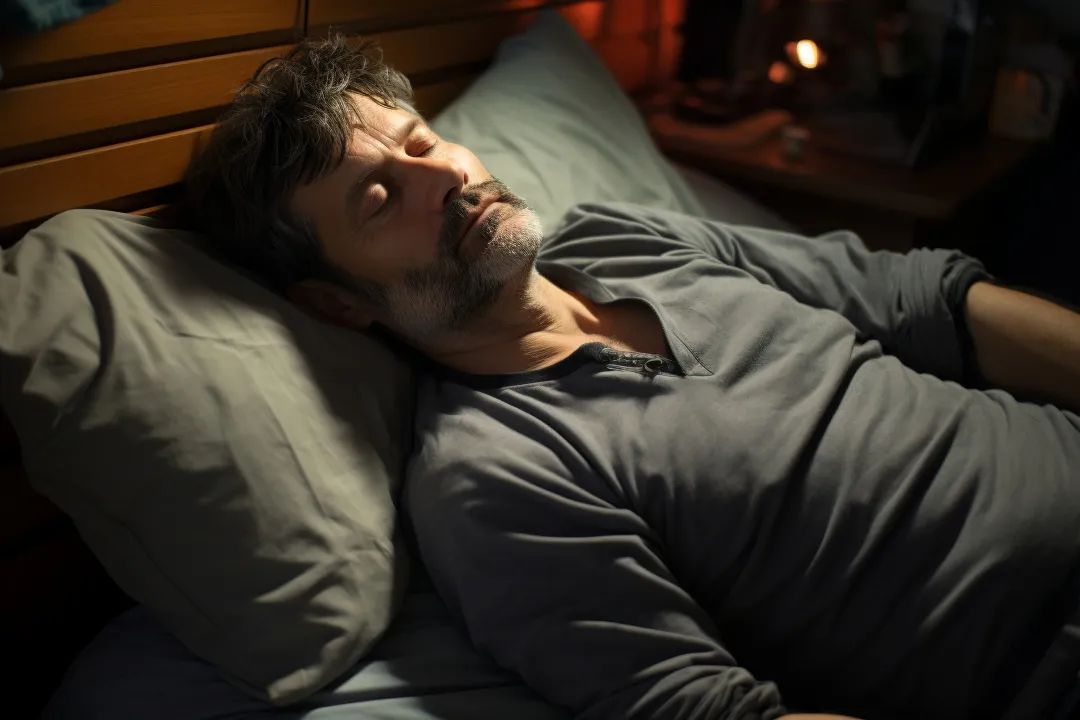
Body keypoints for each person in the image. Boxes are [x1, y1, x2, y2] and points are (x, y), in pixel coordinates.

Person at [186, 35, 1080, 720]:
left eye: (423, 142)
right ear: (337, 304)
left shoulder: (624, 235)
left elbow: (929, 302)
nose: (444, 179)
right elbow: (698, 710)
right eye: (381, 200)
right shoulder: (491, 475)